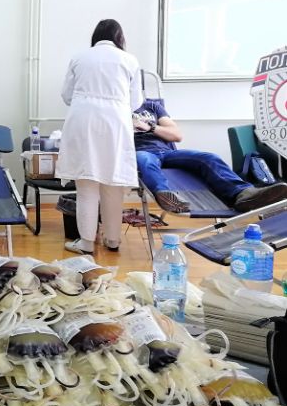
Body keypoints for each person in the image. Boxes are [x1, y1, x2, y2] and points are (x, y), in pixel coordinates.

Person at [56, 19, 142, 255]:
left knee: (87, 184)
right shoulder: (129, 60)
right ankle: (112, 240)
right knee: (113, 183)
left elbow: (66, 95)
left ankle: (85, 244)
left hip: (83, 120)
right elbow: (136, 102)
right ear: (119, 38)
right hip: (116, 123)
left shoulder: (79, 57)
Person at [134, 99, 287, 213]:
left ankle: (242, 194)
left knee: (208, 158)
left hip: (167, 153)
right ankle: (167, 197)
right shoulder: (120, 109)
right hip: (139, 152)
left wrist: (150, 127)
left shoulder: (151, 106)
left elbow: (176, 135)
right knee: (144, 160)